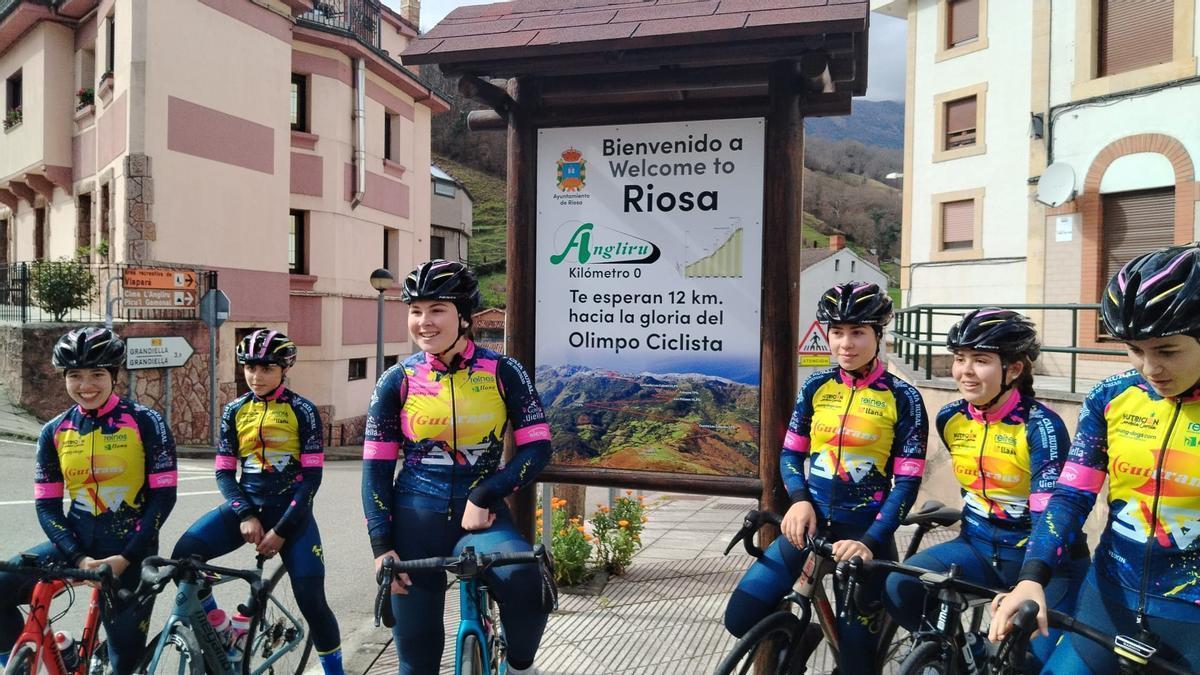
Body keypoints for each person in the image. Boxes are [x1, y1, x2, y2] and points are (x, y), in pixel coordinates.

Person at [990, 243, 1200, 672]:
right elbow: (1069, 496)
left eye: (1167, 350)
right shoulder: (1111, 397)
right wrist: (1032, 576)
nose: (1149, 368)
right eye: (1134, 349)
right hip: (1108, 599)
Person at [723, 282, 928, 673]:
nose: (845, 344)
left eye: (858, 333)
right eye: (837, 333)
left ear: (878, 335)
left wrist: (870, 541)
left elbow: (906, 484)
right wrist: (799, 499)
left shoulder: (903, 398)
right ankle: (801, 640)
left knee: (856, 665)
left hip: (864, 537)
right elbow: (790, 454)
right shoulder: (817, 385)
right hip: (810, 527)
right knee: (740, 618)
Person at [362, 259, 553, 675]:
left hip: (481, 519)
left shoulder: (503, 371)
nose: (423, 322)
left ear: (464, 317)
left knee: (525, 580)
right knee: (416, 663)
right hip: (414, 518)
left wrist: (486, 493)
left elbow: (538, 448)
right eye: (415, 310)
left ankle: (520, 668)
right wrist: (381, 546)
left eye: (437, 310)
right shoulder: (397, 379)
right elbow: (376, 471)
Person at [882, 308, 1086, 667]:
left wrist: (1029, 579)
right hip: (976, 548)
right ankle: (966, 654)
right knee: (899, 587)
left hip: (1045, 563)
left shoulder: (1042, 427)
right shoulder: (951, 418)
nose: (965, 371)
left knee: (1028, 661)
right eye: (960, 358)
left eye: (981, 360)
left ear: (1014, 369)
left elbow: (1050, 516)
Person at [0, 328, 177, 674]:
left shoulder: (146, 421)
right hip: (75, 545)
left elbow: (163, 498)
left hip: (131, 552)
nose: (86, 385)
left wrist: (125, 558)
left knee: (123, 662)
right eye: (75, 375)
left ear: (114, 375)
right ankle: (17, 664)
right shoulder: (55, 430)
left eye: (97, 374)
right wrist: (79, 558)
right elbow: (48, 507)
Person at [171, 330, 344, 675]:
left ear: (284, 369)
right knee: (182, 560)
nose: (256, 376)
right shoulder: (235, 410)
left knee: (312, 601)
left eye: (266, 368)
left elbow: (311, 480)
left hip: (292, 517)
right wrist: (246, 514)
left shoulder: (302, 410)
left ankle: (335, 671)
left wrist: (281, 530)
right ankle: (220, 626)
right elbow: (223, 474)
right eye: (250, 367)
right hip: (247, 507)